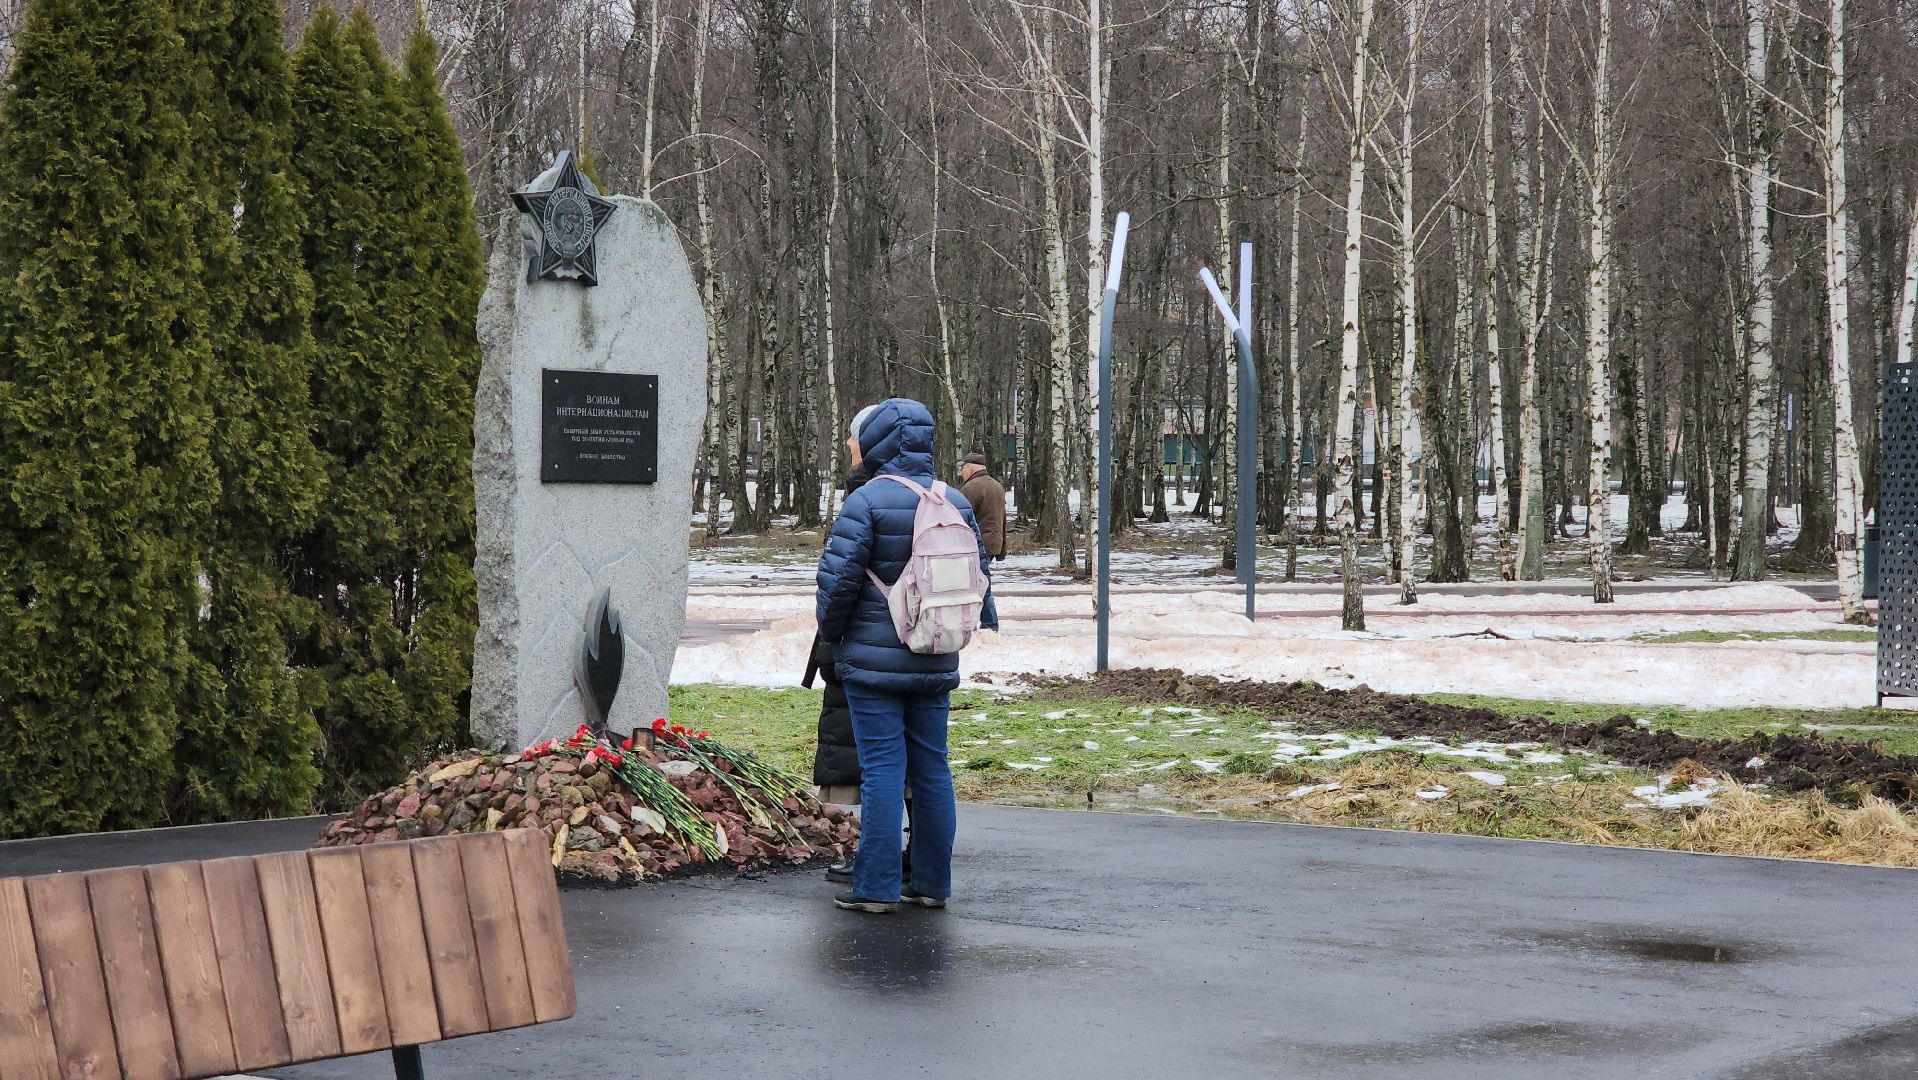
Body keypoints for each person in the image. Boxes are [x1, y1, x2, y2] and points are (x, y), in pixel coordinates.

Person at [816, 398, 995, 913]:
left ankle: (875, 887)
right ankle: (932, 883)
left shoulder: (866, 501)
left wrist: (833, 635)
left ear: (877, 442)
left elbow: (837, 583)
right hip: (936, 654)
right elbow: (980, 576)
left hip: (874, 661)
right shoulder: (952, 499)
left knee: (882, 769)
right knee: (933, 767)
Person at [959, 452, 1008, 562]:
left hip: (977, 544)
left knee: (975, 572)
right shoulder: (997, 485)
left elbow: (961, 518)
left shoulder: (970, 488)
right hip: (994, 542)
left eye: (963, 468)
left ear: (970, 469)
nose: (962, 472)